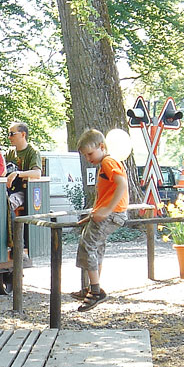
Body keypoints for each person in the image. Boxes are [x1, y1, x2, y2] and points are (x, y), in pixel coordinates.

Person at [72, 128, 128, 311]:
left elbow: (122, 184)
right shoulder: (106, 163)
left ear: (101, 146)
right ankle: (92, 287)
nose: (89, 159)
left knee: (87, 245)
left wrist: (107, 210)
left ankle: (95, 291)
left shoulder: (108, 161)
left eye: (90, 154)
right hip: (107, 213)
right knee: (96, 247)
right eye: (86, 156)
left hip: (111, 214)